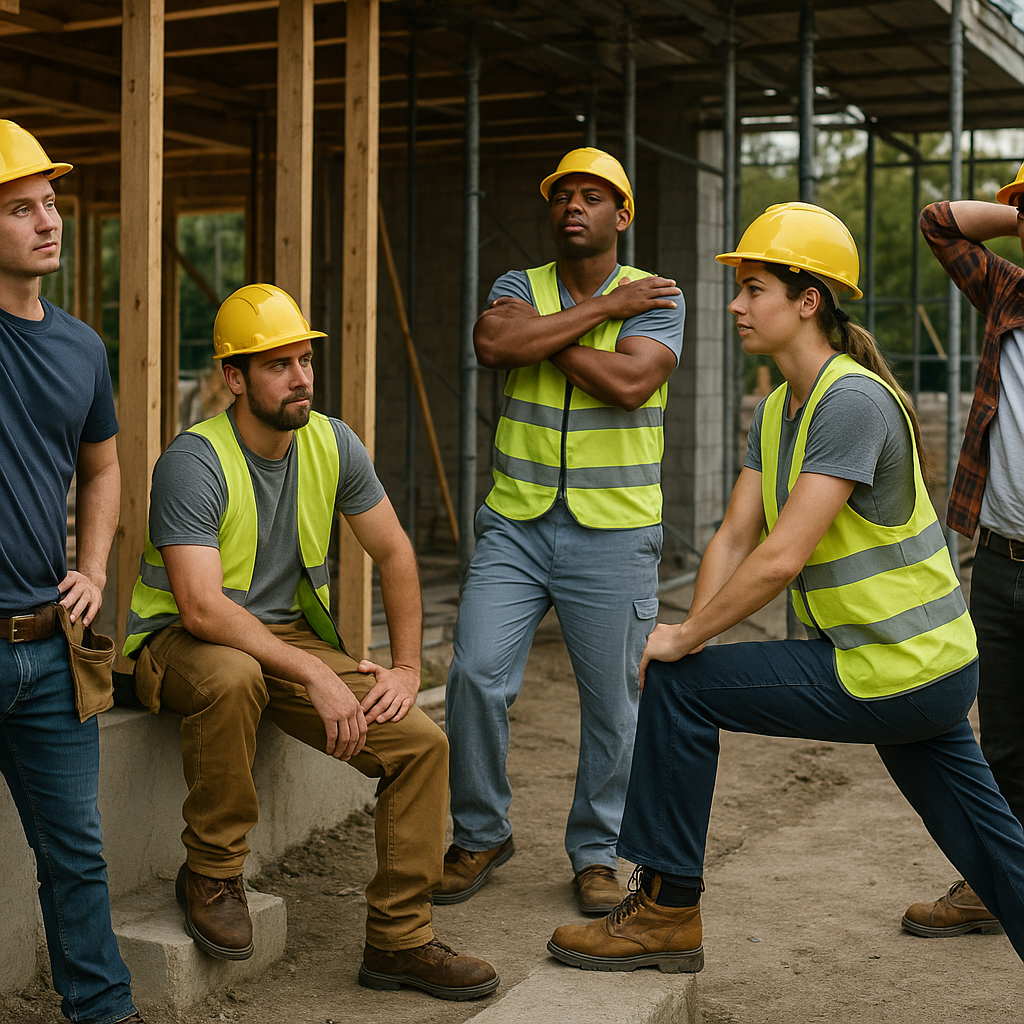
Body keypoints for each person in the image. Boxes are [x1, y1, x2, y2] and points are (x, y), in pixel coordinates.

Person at [546, 201, 1024, 973]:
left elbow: (778, 558)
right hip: (922, 668)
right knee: (999, 855)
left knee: (684, 686)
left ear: (808, 302)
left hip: (891, 668)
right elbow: (734, 537)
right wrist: (688, 631)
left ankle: (666, 913)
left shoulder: (852, 401)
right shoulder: (777, 408)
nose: (735, 304)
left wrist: (680, 641)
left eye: (754, 287)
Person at [122, 283, 498, 1001]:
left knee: (420, 744)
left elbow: (395, 555)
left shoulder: (330, 441)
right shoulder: (192, 461)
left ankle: (399, 940)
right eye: (277, 365)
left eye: (305, 361)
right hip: (177, 643)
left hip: (280, 640)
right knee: (236, 676)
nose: (301, 378)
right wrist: (314, 675)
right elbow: (201, 608)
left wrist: (407, 667)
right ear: (234, 379)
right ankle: (212, 870)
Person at [438, 148, 685, 915]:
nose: (572, 206)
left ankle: (596, 853)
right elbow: (492, 344)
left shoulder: (658, 298)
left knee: (613, 706)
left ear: (621, 215)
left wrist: (542, 339)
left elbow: (630, 383)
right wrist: (604, 316)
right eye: (562, 196)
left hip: (614, 535)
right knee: (475, 674)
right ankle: (480, 832)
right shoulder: (519, 286)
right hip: (515, 524)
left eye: (591, 195)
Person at [0, 120, 144, 1023]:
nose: (48, 221)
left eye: (50, 203)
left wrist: (92, 567)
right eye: (22, 208)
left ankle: (104, 1013)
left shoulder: (81, 347)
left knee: (77, 856)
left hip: (49, 648)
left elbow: (103, 465)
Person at [900, 168, 1024, 939]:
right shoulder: (1008, 294)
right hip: (1005, 564)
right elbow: (937, 222)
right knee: (1003, 742)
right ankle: (993, 884)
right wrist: (1013, 220)